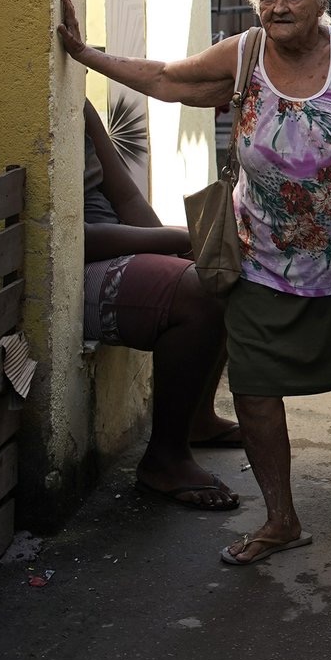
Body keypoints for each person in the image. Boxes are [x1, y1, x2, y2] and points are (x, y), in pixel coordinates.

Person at [57, 0, 331, 564]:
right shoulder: (242, 57)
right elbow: (164, 77)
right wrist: (85, 56)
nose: (279, 7)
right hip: (267, 255)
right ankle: (280, 519)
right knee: (257, 384)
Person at [80, 100, 242, 510]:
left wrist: (181, 252)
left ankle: (198, 421)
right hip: (74, 268)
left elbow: (128, 198)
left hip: (114, 248)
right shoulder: (22, 96)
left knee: (219, 269)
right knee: (199, 291)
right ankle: (164, 460)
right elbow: (72, 236)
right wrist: (174, 240)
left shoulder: (75, 102)